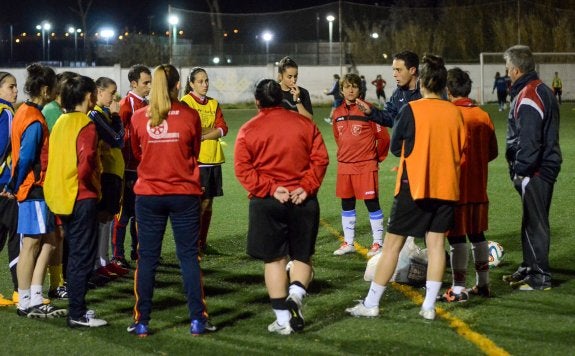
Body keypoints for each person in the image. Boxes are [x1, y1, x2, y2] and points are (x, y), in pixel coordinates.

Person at [345, 54, 465, 321]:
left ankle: (372, 303)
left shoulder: (412, 110)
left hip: (415, 185)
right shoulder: (456, 112)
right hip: (446, 187)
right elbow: (461, 147)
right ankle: (429, 306)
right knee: (436, 245)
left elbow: (396, 146)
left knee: (391, 247)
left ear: (422, 81)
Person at [234, 79, 329, 335]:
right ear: (281, 98)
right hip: (302, 199)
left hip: (268, 203)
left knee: (274, 260)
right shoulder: (304, 124)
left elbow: (242, 169)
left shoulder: (248, 129)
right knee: (302, 256)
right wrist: (306, 186)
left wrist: (270, 188)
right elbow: (321, 159)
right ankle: (296, 295)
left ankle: (283, 321)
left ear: (257, 101)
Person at [127, 64, 212, 337]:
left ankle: (142, 321)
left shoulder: (139, 117)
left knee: (147, 259)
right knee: (188, 256)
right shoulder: (189, 116)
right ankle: (197, 320)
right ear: (178, 86)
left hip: (149, 195)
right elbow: (195, 151)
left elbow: (137, 153)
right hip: (184, 195)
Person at [2, 63, 67, 318]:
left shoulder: (25, 111)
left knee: (49, 241)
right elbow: (27, 157)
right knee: (31, 244)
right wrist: (14, 185)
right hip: (34, 189)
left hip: (35, 188)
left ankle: (35, 296)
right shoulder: (34, 118)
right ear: (45, 88)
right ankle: (26, 300)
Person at [44, 75, 107, 327]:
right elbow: (86, 163)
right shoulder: (86, 124)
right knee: (82, 256)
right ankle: (77, 314)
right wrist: (94, 187)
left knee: (74, 255)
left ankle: (77, 307)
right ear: (88, 96)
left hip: (61, 195)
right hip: (81, 196)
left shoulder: (60, 121)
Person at [502, 45, 562, 291]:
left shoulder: (530, 94)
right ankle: (529, 267)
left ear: (516, 70)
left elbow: (530, 139)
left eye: (507, 69)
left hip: (535, 170)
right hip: (539, 167)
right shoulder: (538, 89)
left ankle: (540, 278)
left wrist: (521, 169)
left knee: (535, 221)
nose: (506, 73)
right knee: (530, 219)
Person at [438, 68, 498, 302]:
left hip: (456, 187)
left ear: (448, 90)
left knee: (456, 237)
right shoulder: (483, 115)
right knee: (477, 233)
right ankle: (483, 284)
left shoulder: (451, 115)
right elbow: (492, 152)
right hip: (478, 187)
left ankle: (458, 287)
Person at [330, 73, 389, 258]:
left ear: (359, 89)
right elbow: (338, 138)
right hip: (345, 166)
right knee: (347, 203)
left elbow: (384, 138)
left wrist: (376, 158)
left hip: (366, 166)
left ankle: (378, 243)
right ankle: (349, 242)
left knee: (372, 203)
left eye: (354, 86)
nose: (351, 90)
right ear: (341, 90)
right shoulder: (337, 113)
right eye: (347, 87)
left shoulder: (369, 110)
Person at [180, 67, 228, 254]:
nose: (205, 84)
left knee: (208, 205)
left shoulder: (213, 103)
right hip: (198, 161)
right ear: (191, 83)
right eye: (200, 81)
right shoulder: (186, 102)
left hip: (214, 159)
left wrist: (204, 134)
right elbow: (189, 131)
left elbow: (223, 128)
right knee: (198, 205)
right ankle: (193, 244)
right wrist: (210, 132)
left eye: (206, 80)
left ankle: (202, 242)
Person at [42, 71, 78, 301]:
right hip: (54, 180)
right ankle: (48, 285)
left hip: (64, 180)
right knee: (52, 237)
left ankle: (60, 282)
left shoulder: (62, 111)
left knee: (61, 236)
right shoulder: (52, 112)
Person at [88, 77, 128, 279]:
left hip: (114, 171)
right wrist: (117, 116)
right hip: (106, 172)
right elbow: (118, 139)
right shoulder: (95, 114)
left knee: (109, 218)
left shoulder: (102, 114)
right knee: (102, 218)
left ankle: (103, 261)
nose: (114, 97)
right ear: (99, 91)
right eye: (111, 93)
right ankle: (97, 263)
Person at [112, 64, 151, 269]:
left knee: (140, 212)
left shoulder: (146, 103)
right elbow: (121, 136)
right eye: (145, 83)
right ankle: (117, 255)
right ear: (134, 83)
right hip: (129, 169)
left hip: (144, 168)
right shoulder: (126, 105)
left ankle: (138, 252)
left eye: (150, 82)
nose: (149, 86)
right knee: (124, 212)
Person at [357, 51, 421, 128]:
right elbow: (391, 118)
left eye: (398, 70)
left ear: (412, 70)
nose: (394, 74)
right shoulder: (397, 93)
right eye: (394, 70)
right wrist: (371, 112)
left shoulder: (429, 92)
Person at [0, 71, 19, 306]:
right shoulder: (6, 113)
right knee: (17, 239)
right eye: (11, 87)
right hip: (5, 185)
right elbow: (4, 146)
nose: (15, 90)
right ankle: (19, 291)